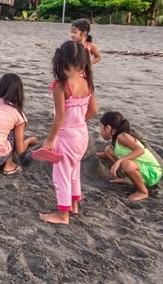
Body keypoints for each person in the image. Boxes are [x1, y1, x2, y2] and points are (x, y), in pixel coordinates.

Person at [39, 41, 98, 225]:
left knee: (61, 175)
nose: (63, 70)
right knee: (74, 170)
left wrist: (50, 140)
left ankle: (62, 215)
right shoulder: (87, 81)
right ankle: (74, 205)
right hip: (82, 134)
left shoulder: (61, 86)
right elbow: (94, 110)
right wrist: (79, 122)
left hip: (66, 137)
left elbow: (60, 117)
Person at [97, 111, 162, 201]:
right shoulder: (116, 139)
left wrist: (119, 161)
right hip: (141, 170)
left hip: (152, 172)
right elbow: (106, 154)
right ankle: (128, 179)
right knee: (108, 150)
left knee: (126, 164)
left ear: (108, 128)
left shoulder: (122, 136)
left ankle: (143, 191)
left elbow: (140, 150)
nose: (100, 130)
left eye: (100, 127)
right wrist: (91, 154)